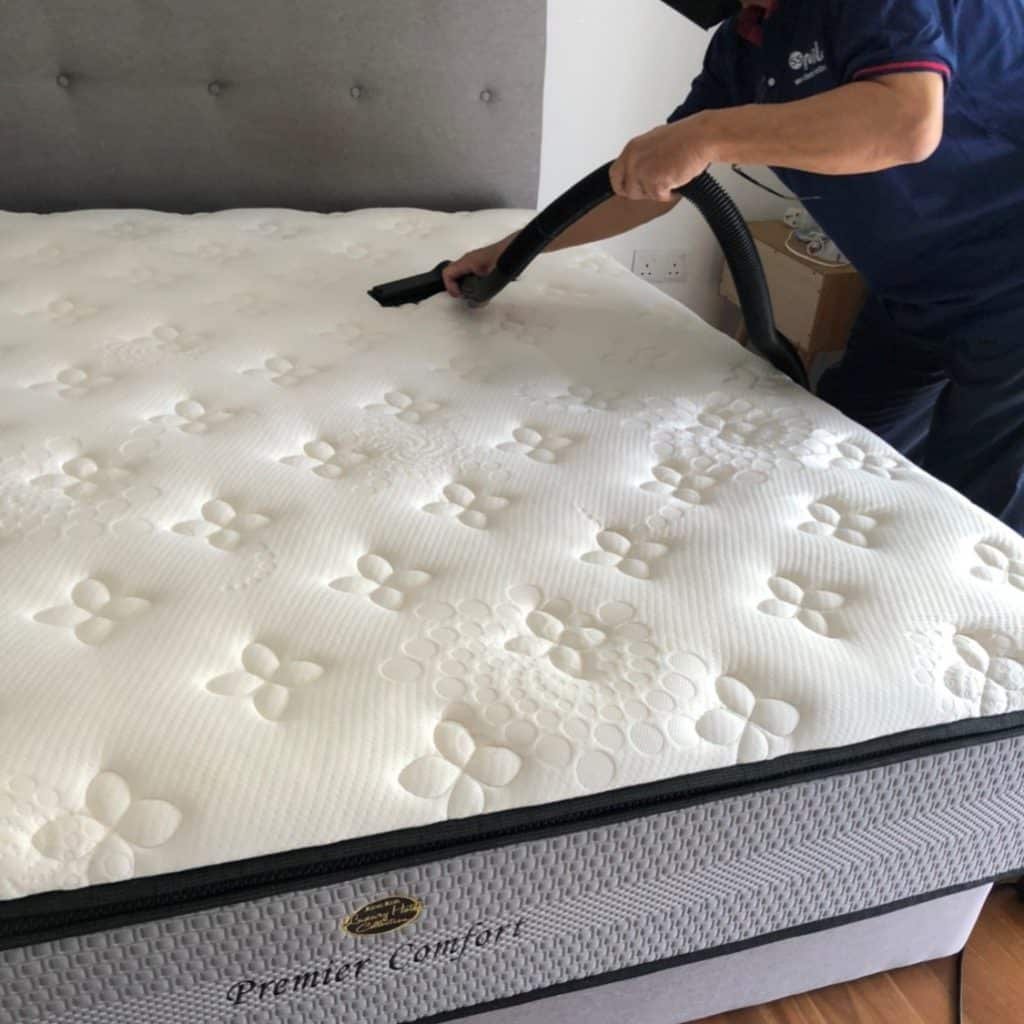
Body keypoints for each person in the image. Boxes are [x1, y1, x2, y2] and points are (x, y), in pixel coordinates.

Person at [443, 0, 1024, 532]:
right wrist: (514, 251)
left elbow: (906, 121)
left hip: (1010, 283)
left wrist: (709, 134)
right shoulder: (742, 45)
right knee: (840, 461)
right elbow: (656, 185)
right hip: (913, 292)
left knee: (978, 511)